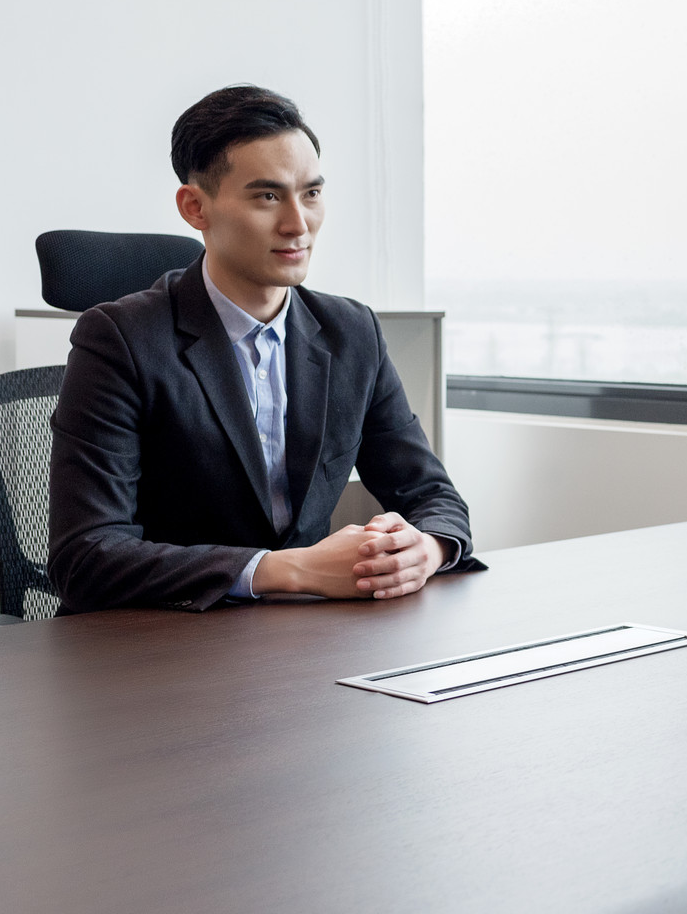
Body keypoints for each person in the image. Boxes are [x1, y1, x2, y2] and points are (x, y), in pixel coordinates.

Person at [48, 85, 481, 613]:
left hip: (302, 645)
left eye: (312, 194)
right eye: (267, 196)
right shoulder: (119, 340)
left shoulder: (351, 332)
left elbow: (433, 497)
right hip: (160, 646)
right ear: (194, 207)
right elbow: (86, 556)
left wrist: (427, 548)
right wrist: (291, 570)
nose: (298, 224)